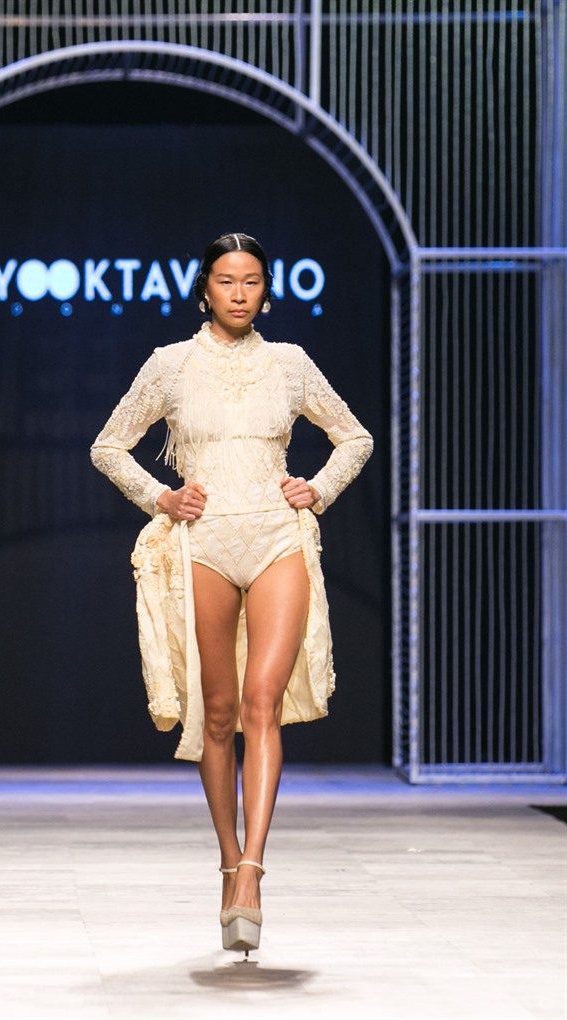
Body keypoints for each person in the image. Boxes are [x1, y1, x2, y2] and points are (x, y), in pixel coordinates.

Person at [91, 232, 373, 953]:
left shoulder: (290, 364)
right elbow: (108, 445)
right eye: (226, 280)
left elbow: (355, 438)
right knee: (218, 715)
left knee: (261, 705)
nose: (239, 293)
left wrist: (319, 488)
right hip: (205, 545)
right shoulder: (171, 365)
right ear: (204, 291)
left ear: (266, 292)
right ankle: (227, 860)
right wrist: (161, 497)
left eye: (251, 281)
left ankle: (252, 871)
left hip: (277, 537)